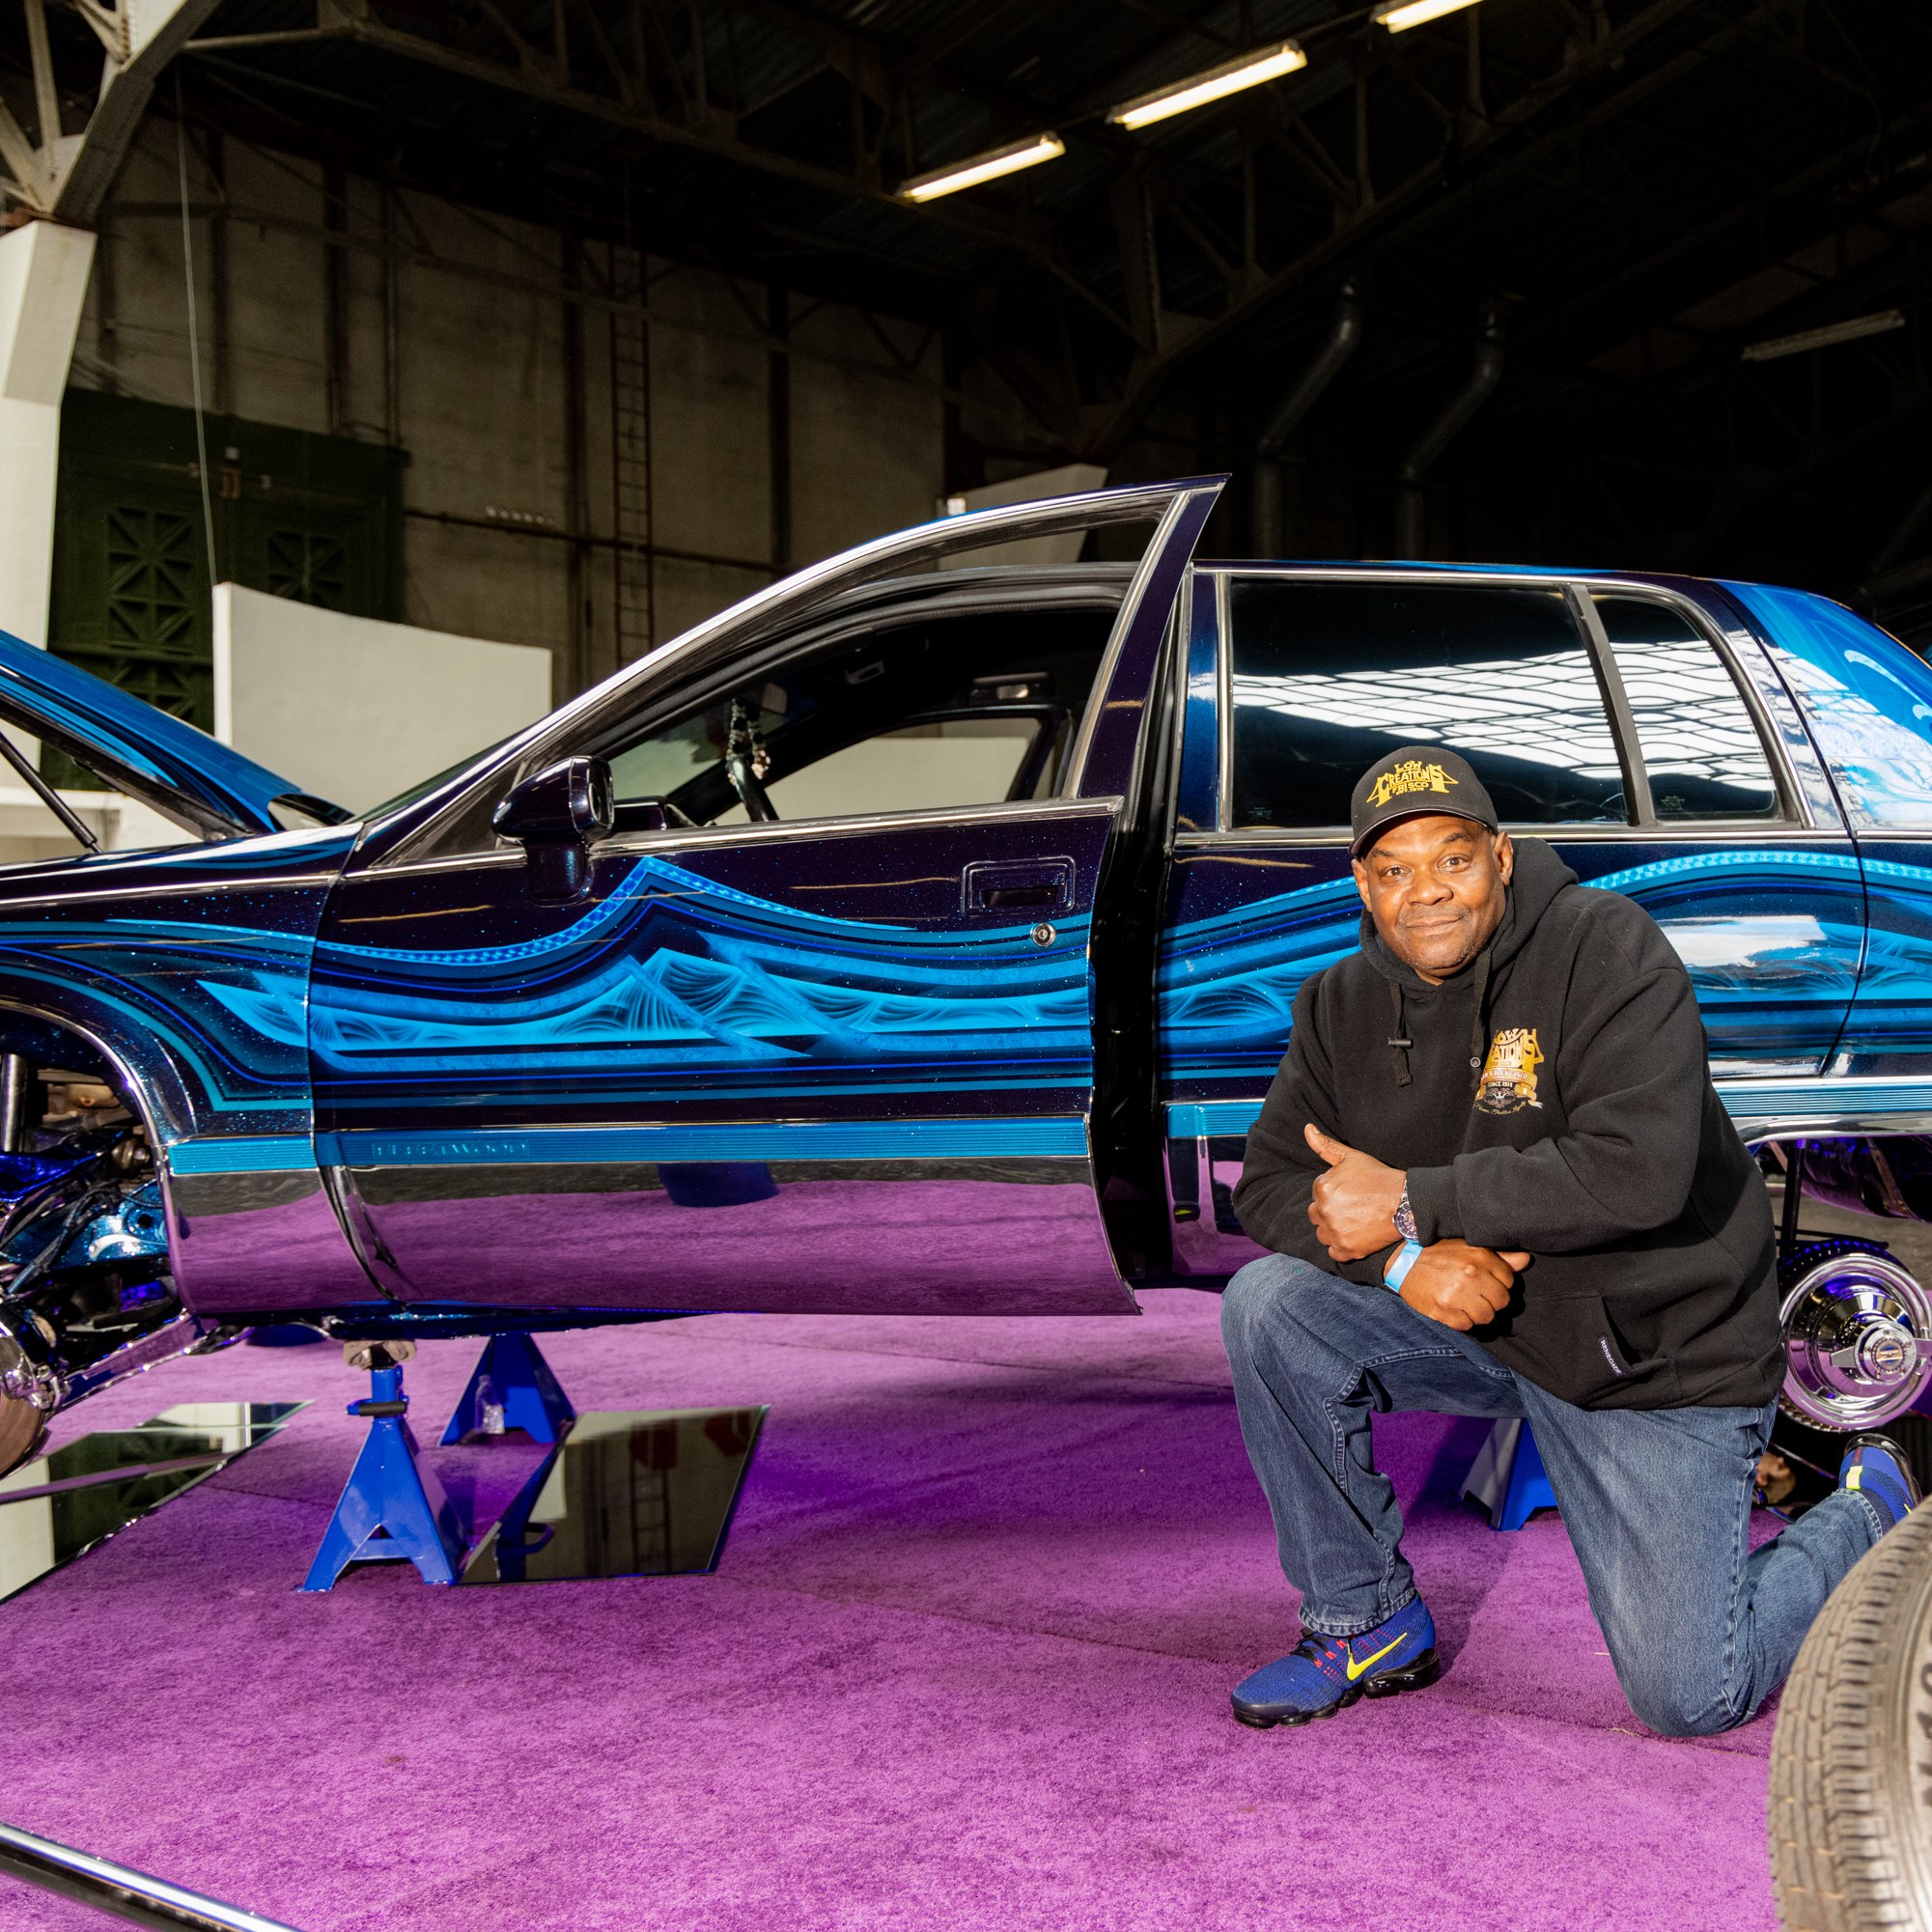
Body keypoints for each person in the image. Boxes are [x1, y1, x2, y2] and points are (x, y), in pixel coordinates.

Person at [1219, 744, 1918, 1735]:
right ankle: (1364, 1619)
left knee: (1691, 1697)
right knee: (1271, 1307)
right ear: (1363, 886)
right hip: (1499, 1332)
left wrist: (1415, 1203)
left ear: (1501, 857)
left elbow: (1639, 1168)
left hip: (1653, 1355)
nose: (1427, 892)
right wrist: (1404, 1264)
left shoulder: (1607, 948)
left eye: (1452, 858)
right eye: (1394, 870)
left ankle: (1871, 1505)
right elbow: (1272, 1183)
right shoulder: (1338, 1003)